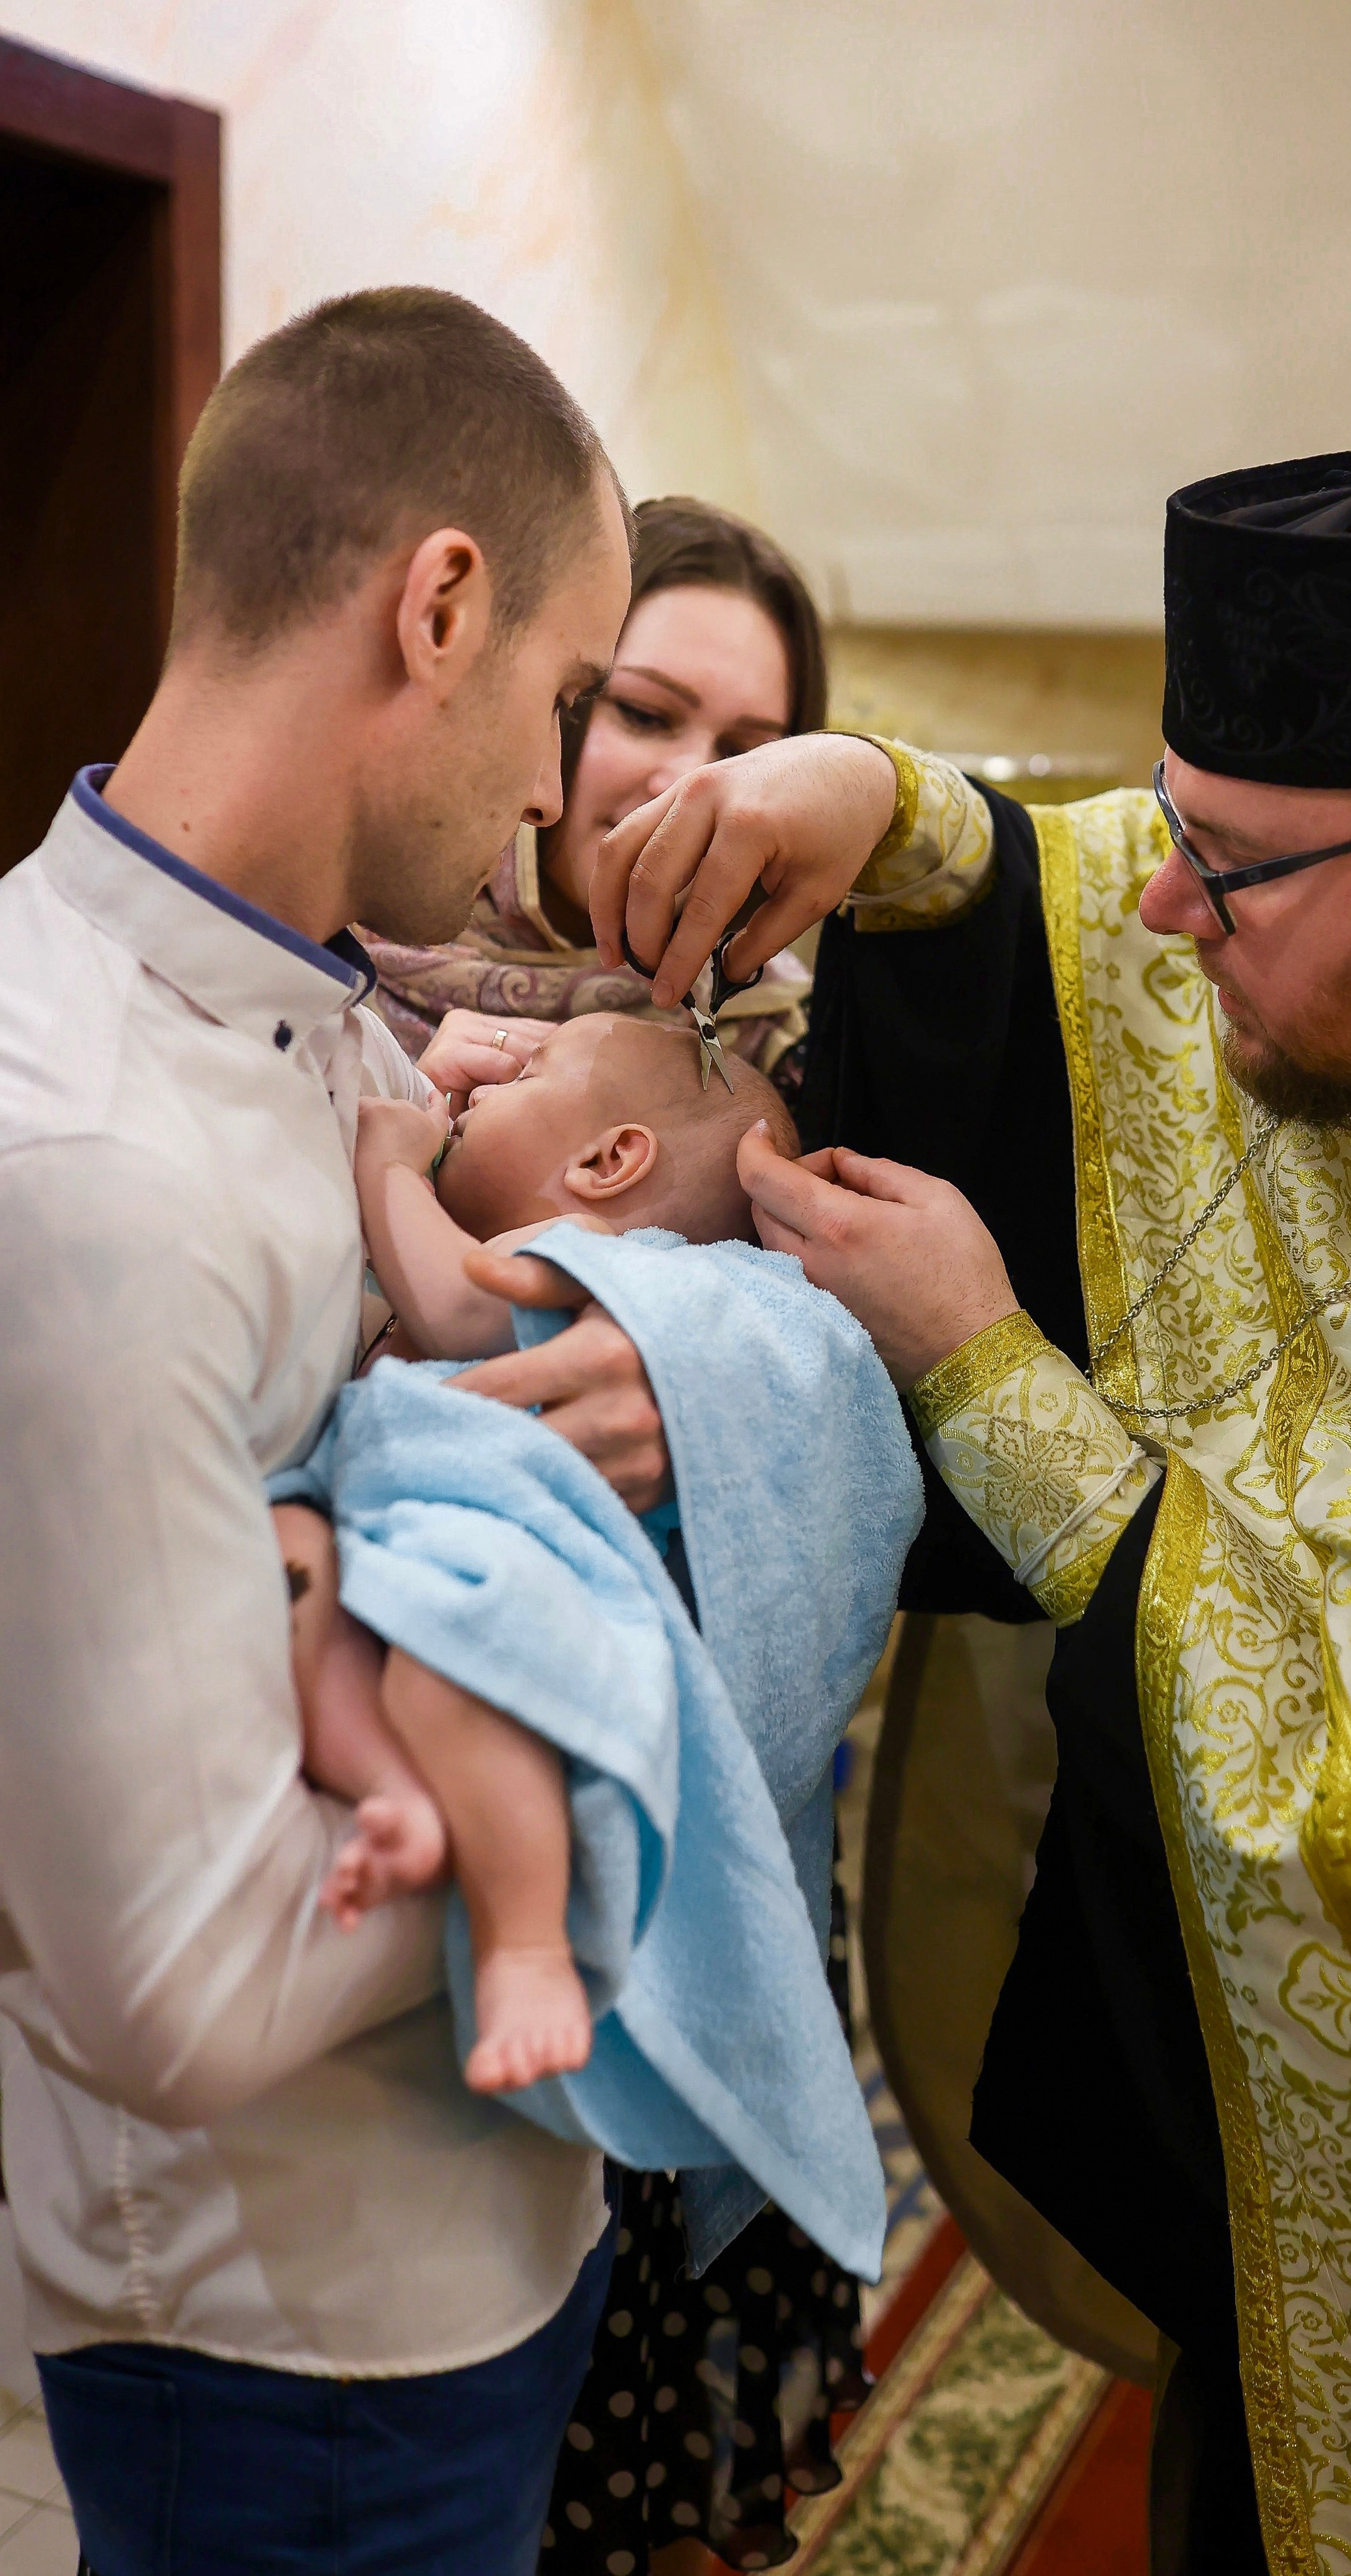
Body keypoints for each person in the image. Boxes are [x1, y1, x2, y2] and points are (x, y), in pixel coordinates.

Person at [589, 438, 1351, 2573]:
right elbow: (1069, 890)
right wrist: (883, 806)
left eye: (1229, 863)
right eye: (1168, 825)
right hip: (1246, 2241)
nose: (1162, 910)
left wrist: (988, 1374)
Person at [0, 284, 675, 2576]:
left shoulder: (313, 1018)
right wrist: (620, 1777)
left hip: (469, 2225)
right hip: (282, 2344)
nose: (556, 792)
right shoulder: (84, 1170)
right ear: (440, 600)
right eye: (573, 703)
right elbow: (177, 1987)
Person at [273, 1018, 801, 2098]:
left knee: (456, 1648)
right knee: (291, 1558)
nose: (478, 1095)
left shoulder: (582, 1261)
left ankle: (526, 1946)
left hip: (499, 1551)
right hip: (394, 1519)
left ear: (608, 1161)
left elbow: (458, 1304)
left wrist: (389, 1166)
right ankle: (397, 1795)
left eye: (529, 1076)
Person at [363, 495, 824, 1109]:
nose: (689, 785)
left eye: (744, 753)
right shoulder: (332, 946)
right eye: (645, 715)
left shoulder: (783, 1042)